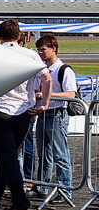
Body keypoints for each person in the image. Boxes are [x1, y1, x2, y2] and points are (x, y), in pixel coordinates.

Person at [0, 20, 51, 210]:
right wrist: (44, 105)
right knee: (9, 157)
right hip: (24, 111)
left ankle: (20, 202)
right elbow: (47, 78)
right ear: (19, 36)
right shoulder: (30, 54)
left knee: (8, 158)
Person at [27, 34, 77, 197]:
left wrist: (49, 95)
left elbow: (71, 94)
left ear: (53, 49)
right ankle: (42, 186)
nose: (40, 53)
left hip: (57, 114)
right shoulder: (41, 70)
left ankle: (65, 191)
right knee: (43, 154)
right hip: (43, 113)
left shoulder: (64, 70)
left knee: (60, 155)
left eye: (43, 49)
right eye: (38, 50)